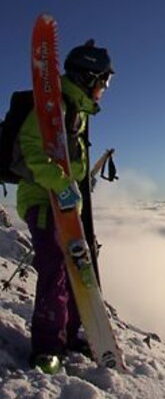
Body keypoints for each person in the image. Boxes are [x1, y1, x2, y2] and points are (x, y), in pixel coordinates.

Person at [12, 39, 113, 373]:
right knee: (55, 272)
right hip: (44, 201)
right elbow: (31, 147)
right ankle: (46, 347)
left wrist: (77, 184)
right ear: (88, 77)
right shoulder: (55, 106)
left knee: (74, 274)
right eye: (103, 80)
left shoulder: (74, 108)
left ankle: (66, 335)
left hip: (64, 205)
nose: (104, 88)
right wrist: (61, 184)